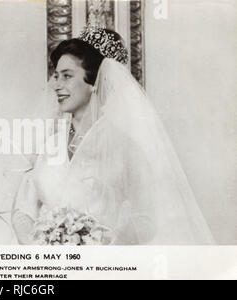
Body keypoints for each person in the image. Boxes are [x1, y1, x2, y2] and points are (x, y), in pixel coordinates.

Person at [11, 27, 215, 245]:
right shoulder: (48, 145)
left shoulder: (126, 148)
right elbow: (22, 210)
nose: (57, 86)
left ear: (94, 82)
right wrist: (41, 246)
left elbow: (146, 219)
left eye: (67, 76)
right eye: (56, 76)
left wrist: (100, 243)